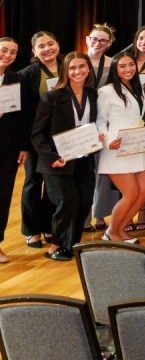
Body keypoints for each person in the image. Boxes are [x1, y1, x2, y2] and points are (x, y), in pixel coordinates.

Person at [31, 52, 100, 261]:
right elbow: (37, 134)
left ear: (88, 69)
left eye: (82, 66)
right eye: (72, 68)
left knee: (85, 201)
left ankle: (73, 244)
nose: (77, 71)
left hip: (84, 158)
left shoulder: (92, 94)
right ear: (65, 71)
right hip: (56, 162)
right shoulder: (51, 97)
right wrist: (52, 157)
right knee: (67, 202)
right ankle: (55, 245)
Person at [95, 54, 145, 243]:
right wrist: (109, 140)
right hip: (116, 148)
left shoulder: (139, 88)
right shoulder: (106, 91)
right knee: (131, 193)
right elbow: (100, 121)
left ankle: (120, 230)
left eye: (131, 65)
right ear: (115, 70)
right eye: (122, 66)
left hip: (137, 145)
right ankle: (111, 232)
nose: (128, 69)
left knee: (143, 192)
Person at [19, 31, 62, 250]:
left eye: (50, 44)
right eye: (41, 46)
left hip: (61, 137)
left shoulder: (68, 67)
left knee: (54, 184)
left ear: (58, 45)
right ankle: (31, 230)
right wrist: (24, 145)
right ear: (34, 51)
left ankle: (48, 225)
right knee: (33, 183)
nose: (47, 49)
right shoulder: (26, 74)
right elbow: (22, 112)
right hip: (35, 137)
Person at [0, 38, 27, 262]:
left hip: (7, 149)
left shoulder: (16, 79)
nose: (8, 55)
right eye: (4, 50)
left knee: (2, 196)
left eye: (13, 53)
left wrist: (23, 146)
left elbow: (22, 117)